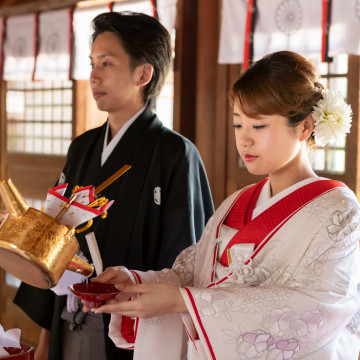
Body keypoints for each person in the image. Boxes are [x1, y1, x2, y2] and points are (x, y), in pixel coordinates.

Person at [86, 51, 360, 359]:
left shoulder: (337, 209)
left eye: (258, 127)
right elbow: (192, 277)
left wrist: (184, 302)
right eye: (238, 125)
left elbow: (317, 308)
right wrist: (136, 282)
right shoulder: (237, 203)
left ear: (306, 127)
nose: (244, 140)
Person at [12, 11, 214, 360]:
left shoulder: (176, 154)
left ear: (143, 73)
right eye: (92, 63)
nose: (93, 75)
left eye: (106, 63)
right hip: (68, 318)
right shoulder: (82, 147)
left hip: (137, 333)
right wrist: (46, 336)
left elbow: (189, 259)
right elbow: (52, 238)